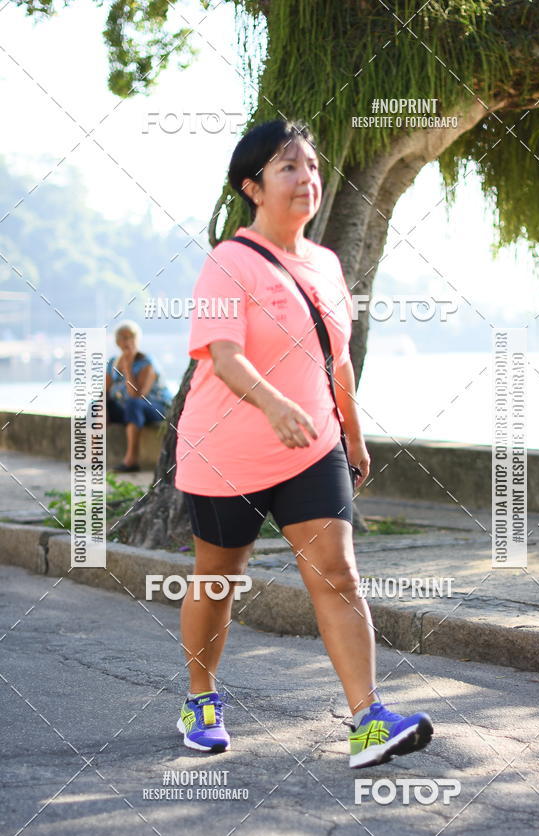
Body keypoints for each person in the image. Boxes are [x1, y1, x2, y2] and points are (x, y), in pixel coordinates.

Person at [174, 119, 433, 769]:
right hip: (225, 450)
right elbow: (225, 356)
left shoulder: (326, 264)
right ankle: (200, 696)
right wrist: (272, 402)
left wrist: (353, 430)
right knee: (219, 581)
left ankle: (368, 719)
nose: (307, 178)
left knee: (339, 572)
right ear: (252, 186)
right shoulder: (227, 262)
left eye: (312, 167)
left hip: (310, 448)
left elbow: (337, 357)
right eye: (289, 167)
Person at [105, 321, 172, 472]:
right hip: (128, 406)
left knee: (133, 404)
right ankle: (92, 457)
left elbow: (137, 395)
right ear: (117, 342)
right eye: (123, 337)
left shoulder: (147, 363)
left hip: (155, 406)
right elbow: (105, 392)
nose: (127, 341)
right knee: (97, 406)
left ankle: (131, 460)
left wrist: (128, 367)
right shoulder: (112, 363)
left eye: (131, 337)